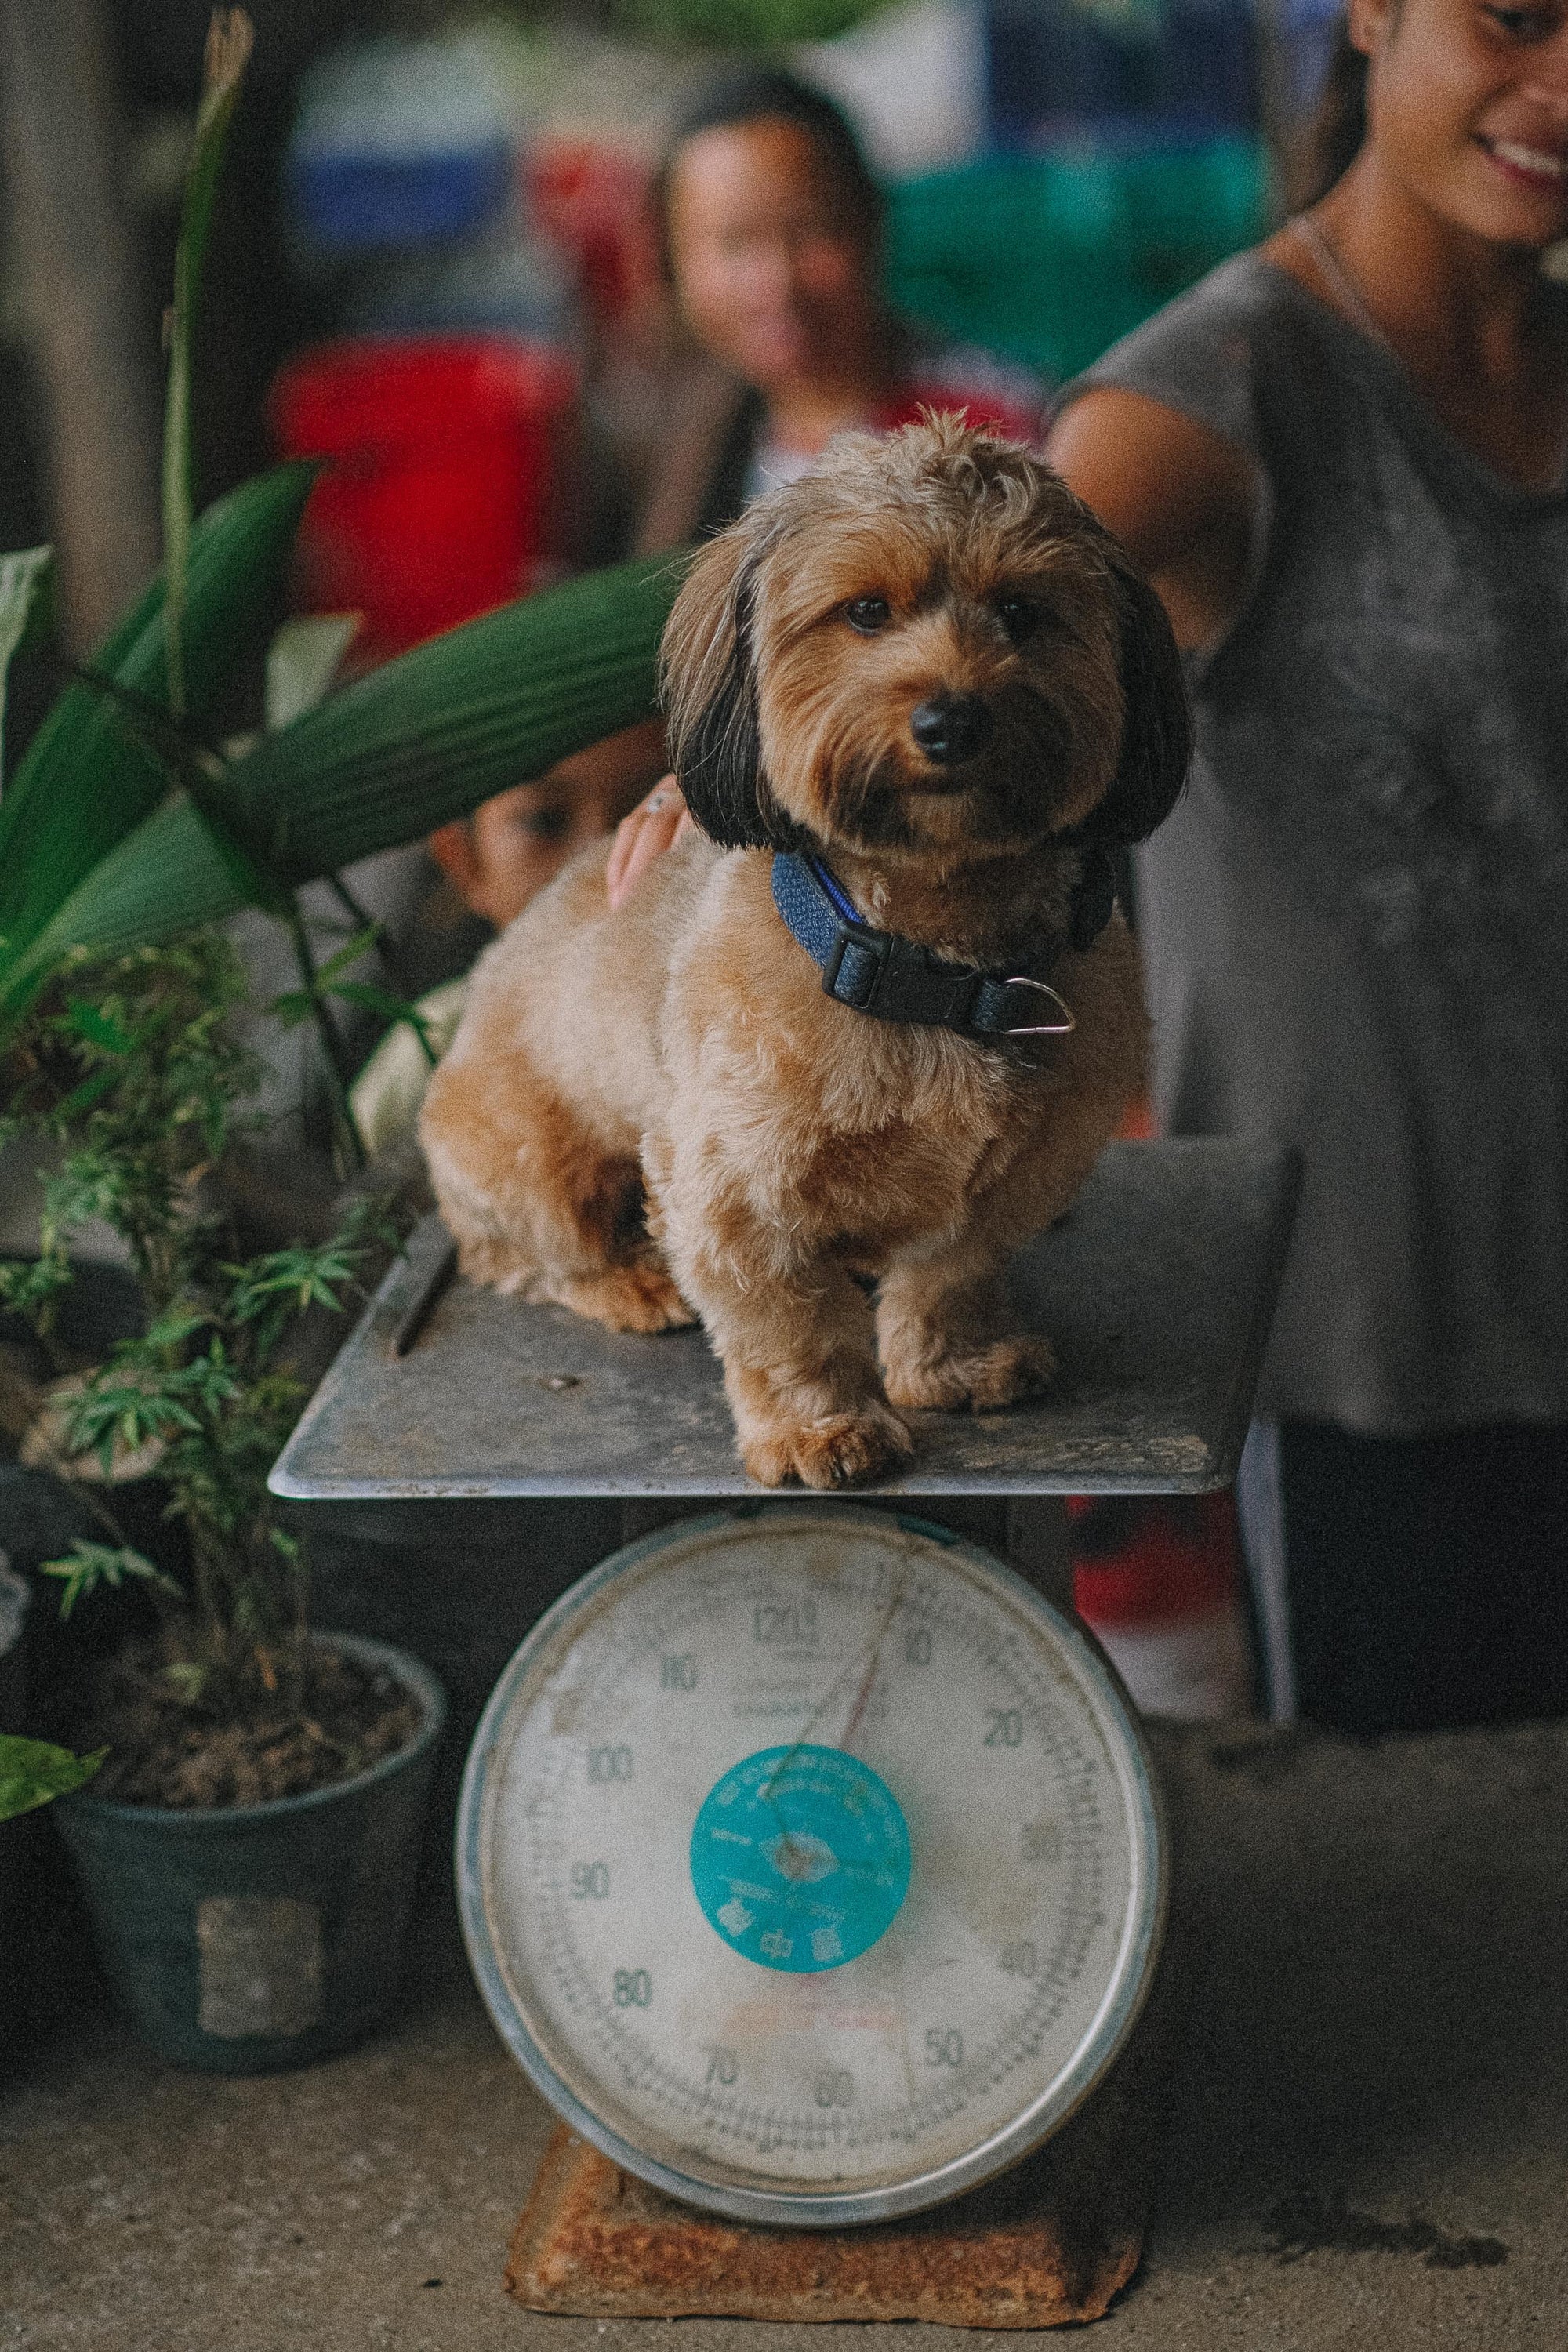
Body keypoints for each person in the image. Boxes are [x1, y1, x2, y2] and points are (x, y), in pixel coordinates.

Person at [611, 0, 1568, 1737]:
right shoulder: (1209, 396)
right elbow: (958, 620)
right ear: (1371, 14)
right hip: (1389, 1356)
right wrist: (718, 773)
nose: (1563, 84)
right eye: (1517, 15)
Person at [631, 65, 1043, 554]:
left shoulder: (987, 424)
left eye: (810, 231)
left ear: (870, 224)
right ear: (674, 262)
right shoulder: (688, 436)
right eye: (735, 245)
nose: (776, 284)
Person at [350, 719, 665, 1156]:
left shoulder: (742, 1007)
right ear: (465, 864)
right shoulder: (428, 1063)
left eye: (650, 809)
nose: (603, 855)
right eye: (544, 821)